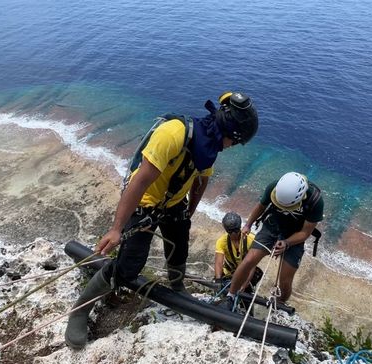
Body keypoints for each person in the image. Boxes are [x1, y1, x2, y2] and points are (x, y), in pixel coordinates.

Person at [65, 91, 259, 349]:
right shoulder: (174, 134)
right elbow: (140, 180)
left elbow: (202, 178)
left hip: (174, 203)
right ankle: (80, 311)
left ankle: (177, 287)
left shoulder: (208, 145)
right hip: (144, 202)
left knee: (179, 244)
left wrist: (189, 212)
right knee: (128, 266)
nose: (232, 147)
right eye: (235, 142)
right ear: (230, 135)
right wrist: (116, 229)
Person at [225, 172, 324, 310]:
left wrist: (287, 243)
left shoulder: (315, 202)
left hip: (295, 234)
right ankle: (231, 295)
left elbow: (305, 232)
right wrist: (248, 224)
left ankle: (280, 303)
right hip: (272, 225)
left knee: (285, 280)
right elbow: (260, 206)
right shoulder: (274, 187)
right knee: (249, 261)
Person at [214, 212, 262, 293]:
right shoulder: (221, 242)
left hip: (246, 273)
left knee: (246, 297)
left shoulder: (251, 239)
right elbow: (218, 263)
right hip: (229, 273)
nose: (233, 234)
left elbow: (252, 266)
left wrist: (244, 284)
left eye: (236, 230)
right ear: (226, 230)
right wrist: (218, 280)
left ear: (240, 227)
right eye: (230, 231)